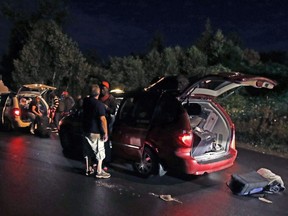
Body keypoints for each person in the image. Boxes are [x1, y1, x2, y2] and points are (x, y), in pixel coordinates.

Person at [82, 84, 110, 179]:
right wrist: (105, 133)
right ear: (99, 93)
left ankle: (88, 169)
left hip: (86, 130)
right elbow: (103, 119)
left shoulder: (85, 102)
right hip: (96, 132)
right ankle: (99, 171)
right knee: (100, 151)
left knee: (87, 151)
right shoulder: (99, 104)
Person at [99, 81, 118, 169]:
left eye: (104, 88)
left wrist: (107, 108)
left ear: (107, 89)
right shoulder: (99, 97)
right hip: (98, 123)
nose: (102, 90)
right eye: (101, 88)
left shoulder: (111, 99)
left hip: (107, 123)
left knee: (106, 143)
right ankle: (98, 162)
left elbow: (113, 111)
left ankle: (106, 162)